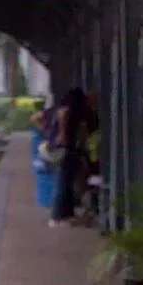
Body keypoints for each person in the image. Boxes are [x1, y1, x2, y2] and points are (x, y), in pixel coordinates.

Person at [49, 85, 93, 225]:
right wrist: (62, 134)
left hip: (68, 148)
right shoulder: (68, 109)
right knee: (62, 182)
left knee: (67, 182)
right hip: (65, 148)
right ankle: (56, 217)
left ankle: (66, 215)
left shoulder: (72, 111)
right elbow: (64, 113)